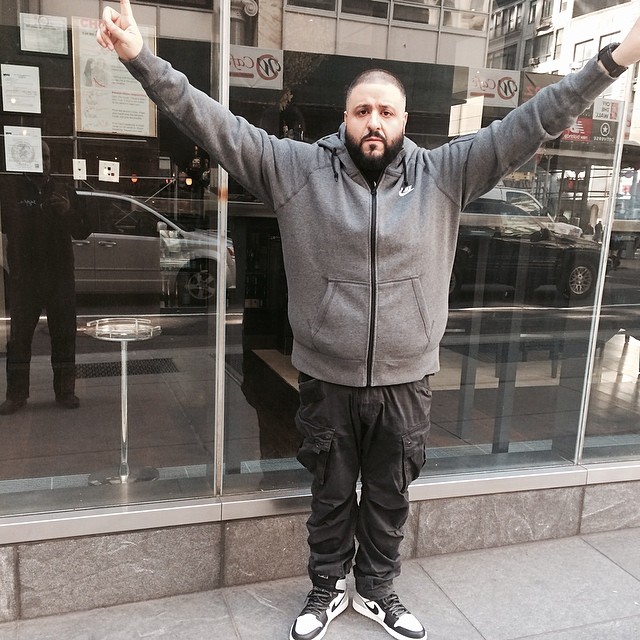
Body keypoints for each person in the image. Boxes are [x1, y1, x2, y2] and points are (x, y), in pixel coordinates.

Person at [97, 4, 640, 638]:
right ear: (346, 119)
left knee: (389, 496)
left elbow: (533, 122)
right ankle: (326, 589)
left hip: (406, 379)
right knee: (331, 493)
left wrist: (616, 59)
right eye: (362, 111)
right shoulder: (296, 170)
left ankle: (377, 591)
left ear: (405, 122)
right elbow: (209, 121)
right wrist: (140, 57)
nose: (373, 122)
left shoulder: (444, 174)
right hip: (328, 377)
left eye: (386, 111)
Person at [0, 142, 87, 414]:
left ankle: (65, 391)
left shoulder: (64, 190)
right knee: (19, 339)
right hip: (25, 277)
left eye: (48, 157)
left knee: (64, 336)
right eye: (40, 157)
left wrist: (68, 211)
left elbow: (83, 230)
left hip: (60, 276)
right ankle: (16, 395)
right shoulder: (11, 189)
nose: (45, 162)